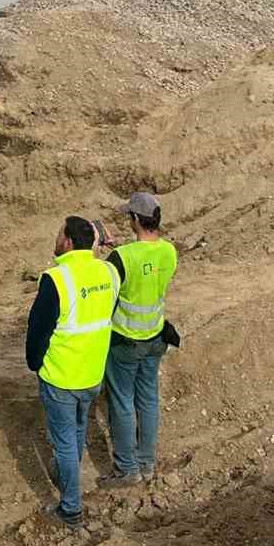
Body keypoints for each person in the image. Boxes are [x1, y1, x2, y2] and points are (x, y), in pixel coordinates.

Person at [26, 214, 120, 528]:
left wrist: (36, 364)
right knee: (78, 431)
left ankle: (71, 507)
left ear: (67, 241)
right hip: (93, 372)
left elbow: (38, 331)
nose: (55, 239)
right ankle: (68, 471)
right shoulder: (108, 272)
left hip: (62, 376)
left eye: (58, 234)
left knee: (65, 442)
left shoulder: (57, 279)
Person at [98, 192, 179, 488]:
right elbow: (147, 265)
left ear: (134, 219)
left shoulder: (122, 258)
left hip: (126, 342)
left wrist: (105, 256)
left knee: (121, 402)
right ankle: (146, 464)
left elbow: (109, 283)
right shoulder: (169, 252)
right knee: (147, 399)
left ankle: (127, 470)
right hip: (156, 337)